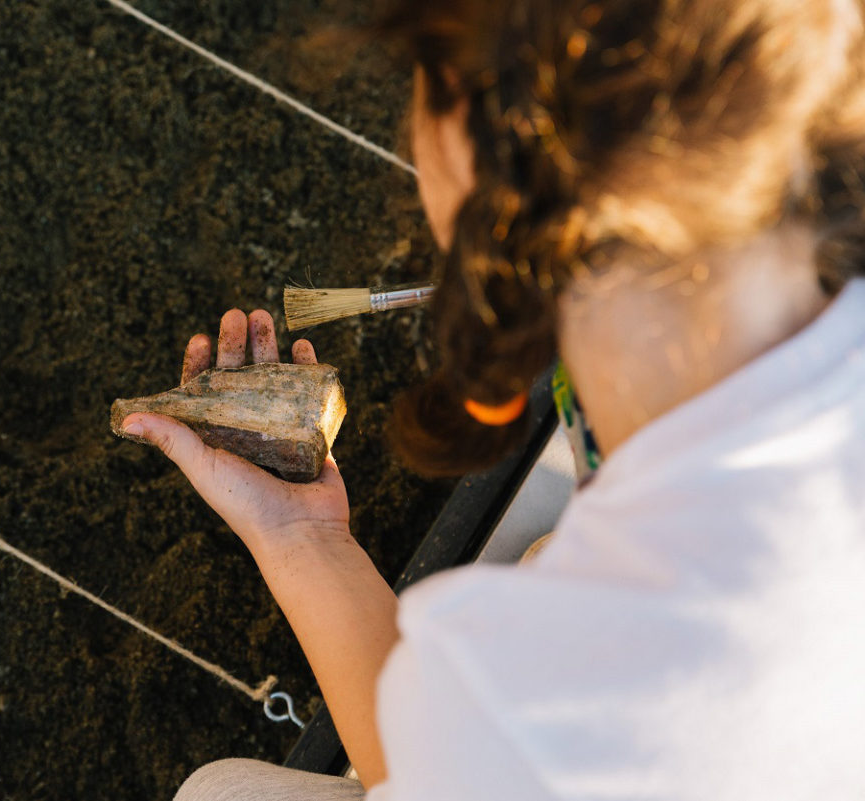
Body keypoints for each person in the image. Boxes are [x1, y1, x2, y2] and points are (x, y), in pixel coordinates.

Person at [119, 0, 865, 798]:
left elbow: (445, 755)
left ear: (470, 142)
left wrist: (306, 549)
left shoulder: (541, 704)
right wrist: (304, 536)